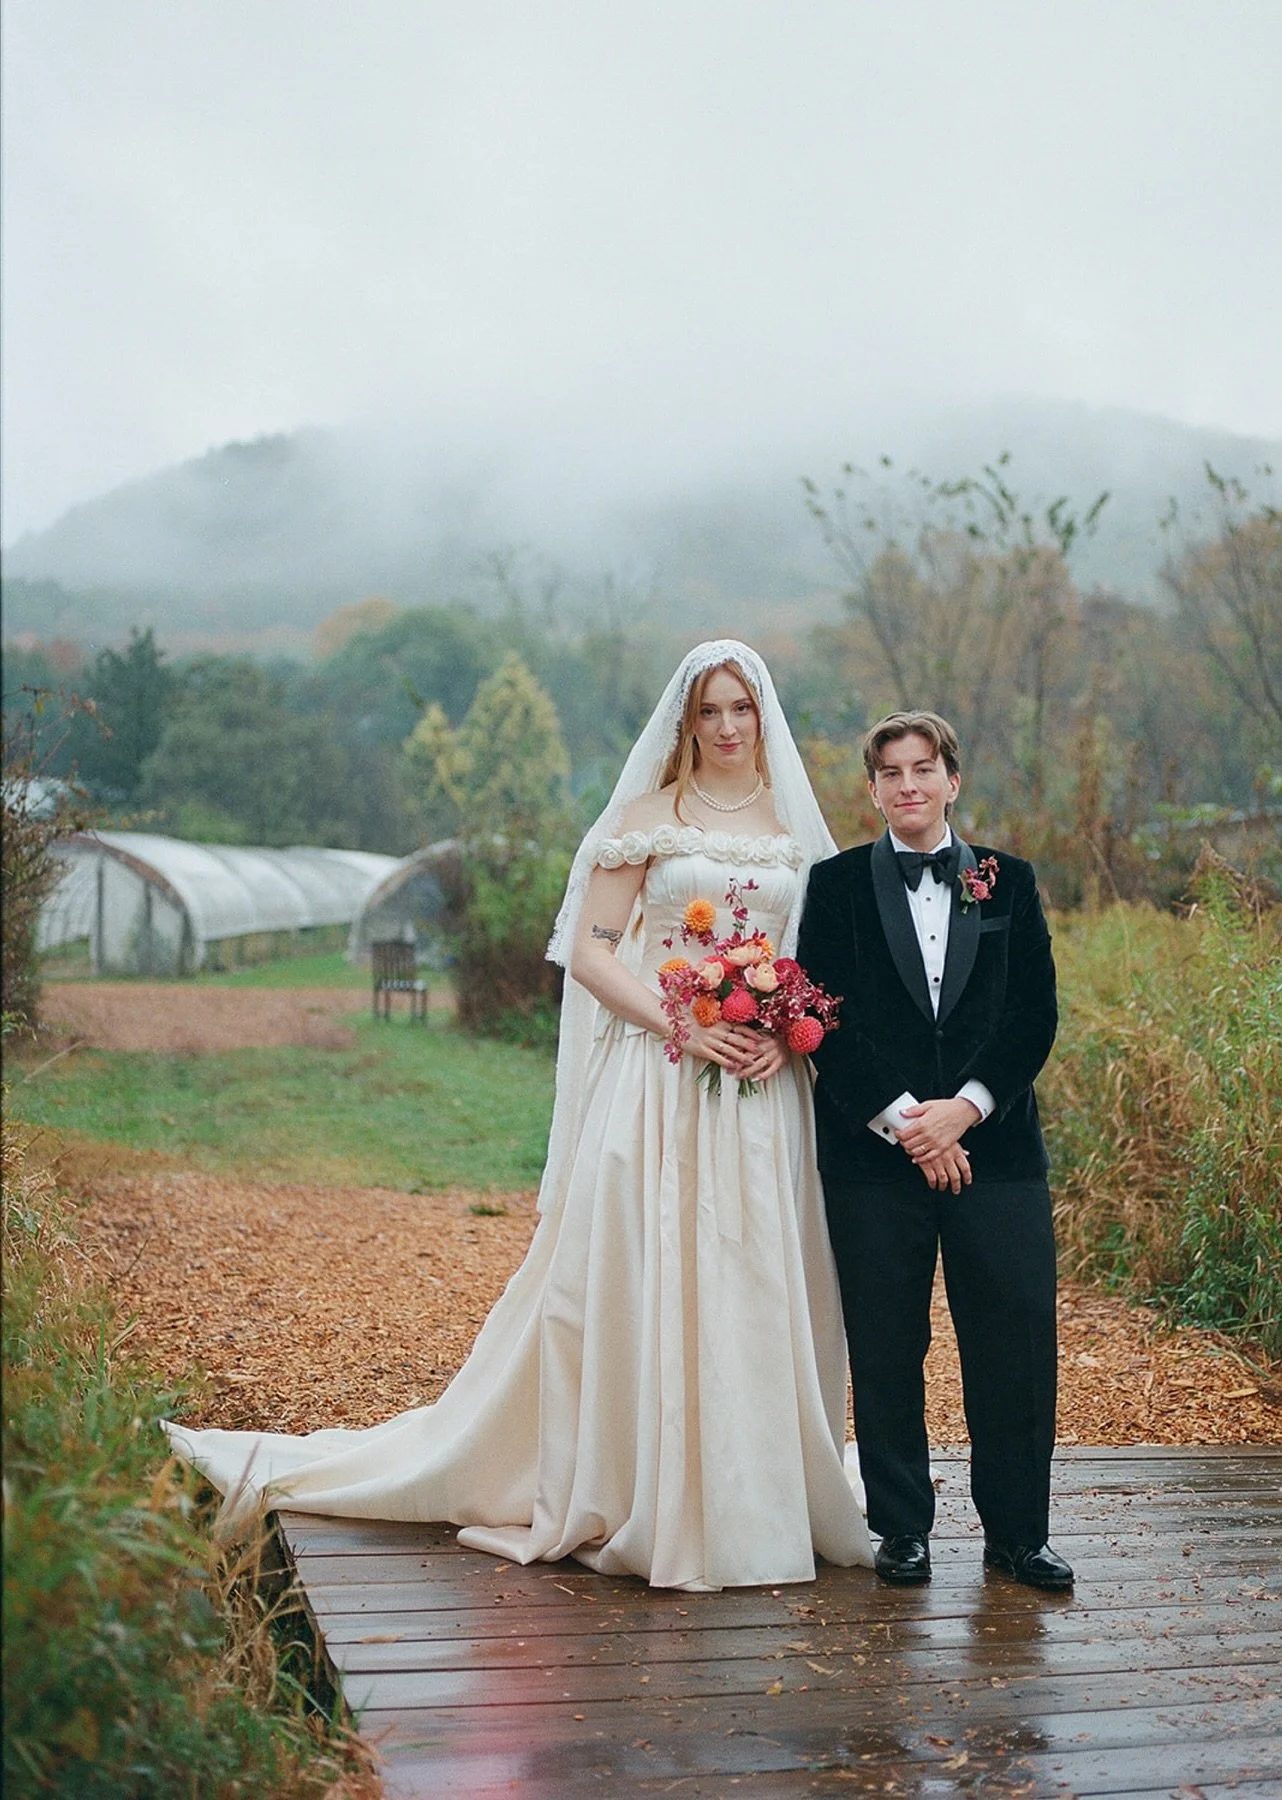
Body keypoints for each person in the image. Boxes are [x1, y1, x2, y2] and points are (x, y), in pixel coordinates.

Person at [165, 641, 873, 1592]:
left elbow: (818, 964)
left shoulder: (796, 834)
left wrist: (785, 1034)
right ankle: (643, 1482)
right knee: (650, 1263)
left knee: (752, 1272)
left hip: (761, 1094)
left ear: (763, 714)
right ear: (685, 721)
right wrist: (683, 1020)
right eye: (709, 710)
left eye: (740, 707)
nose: (727, 726)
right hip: (661, 1078)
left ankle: (755, 1492)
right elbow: (593, 951)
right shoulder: (644, 820)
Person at [796, 709, 1071, 1591]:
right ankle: (902, 1528)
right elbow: (822, 1018)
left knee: (1015, 1339)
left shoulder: (1008, 881)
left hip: (998, 1152)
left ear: (952, 781)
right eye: (891, 773)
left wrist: (966, 1110)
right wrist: (911, 1124)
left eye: (923, 769)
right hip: (875, 1159)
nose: (908, 785)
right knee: (886, 1342)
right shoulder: (834, 886)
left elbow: (1033, 1015)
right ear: (873, 790)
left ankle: (1018, 1536)